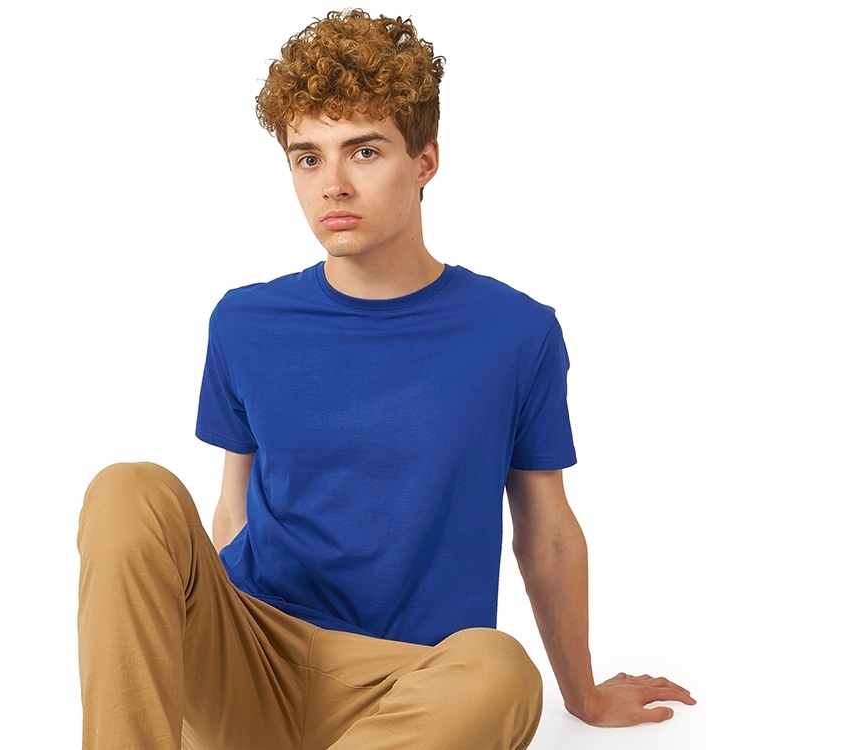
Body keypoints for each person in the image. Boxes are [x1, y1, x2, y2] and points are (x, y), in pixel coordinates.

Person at [76, 9, 695, 749]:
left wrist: (583, 693)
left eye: (363, 152)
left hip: (411, 684)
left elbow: (547, 531)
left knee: (502, 670)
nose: (332, 185)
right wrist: (213, 643)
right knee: (127, 490)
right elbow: (232, 511)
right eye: (308, 158)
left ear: (425, 161)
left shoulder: (516, 332)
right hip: (252, 654)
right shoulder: (244, 322)